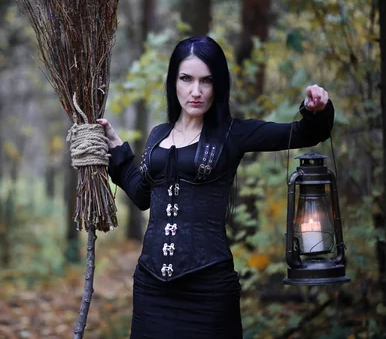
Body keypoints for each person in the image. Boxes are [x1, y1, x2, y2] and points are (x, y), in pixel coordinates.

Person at [97, 36, 334, 339]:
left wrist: (316, 109)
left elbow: (304, 133)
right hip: (151, 288)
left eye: (206, 81)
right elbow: (144, 195)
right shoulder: (159, 135)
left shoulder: (233, 134)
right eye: (186, 79)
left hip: (208, 290)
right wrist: (117, 150)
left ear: (218, 85)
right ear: (174, 82)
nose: (196, 91)